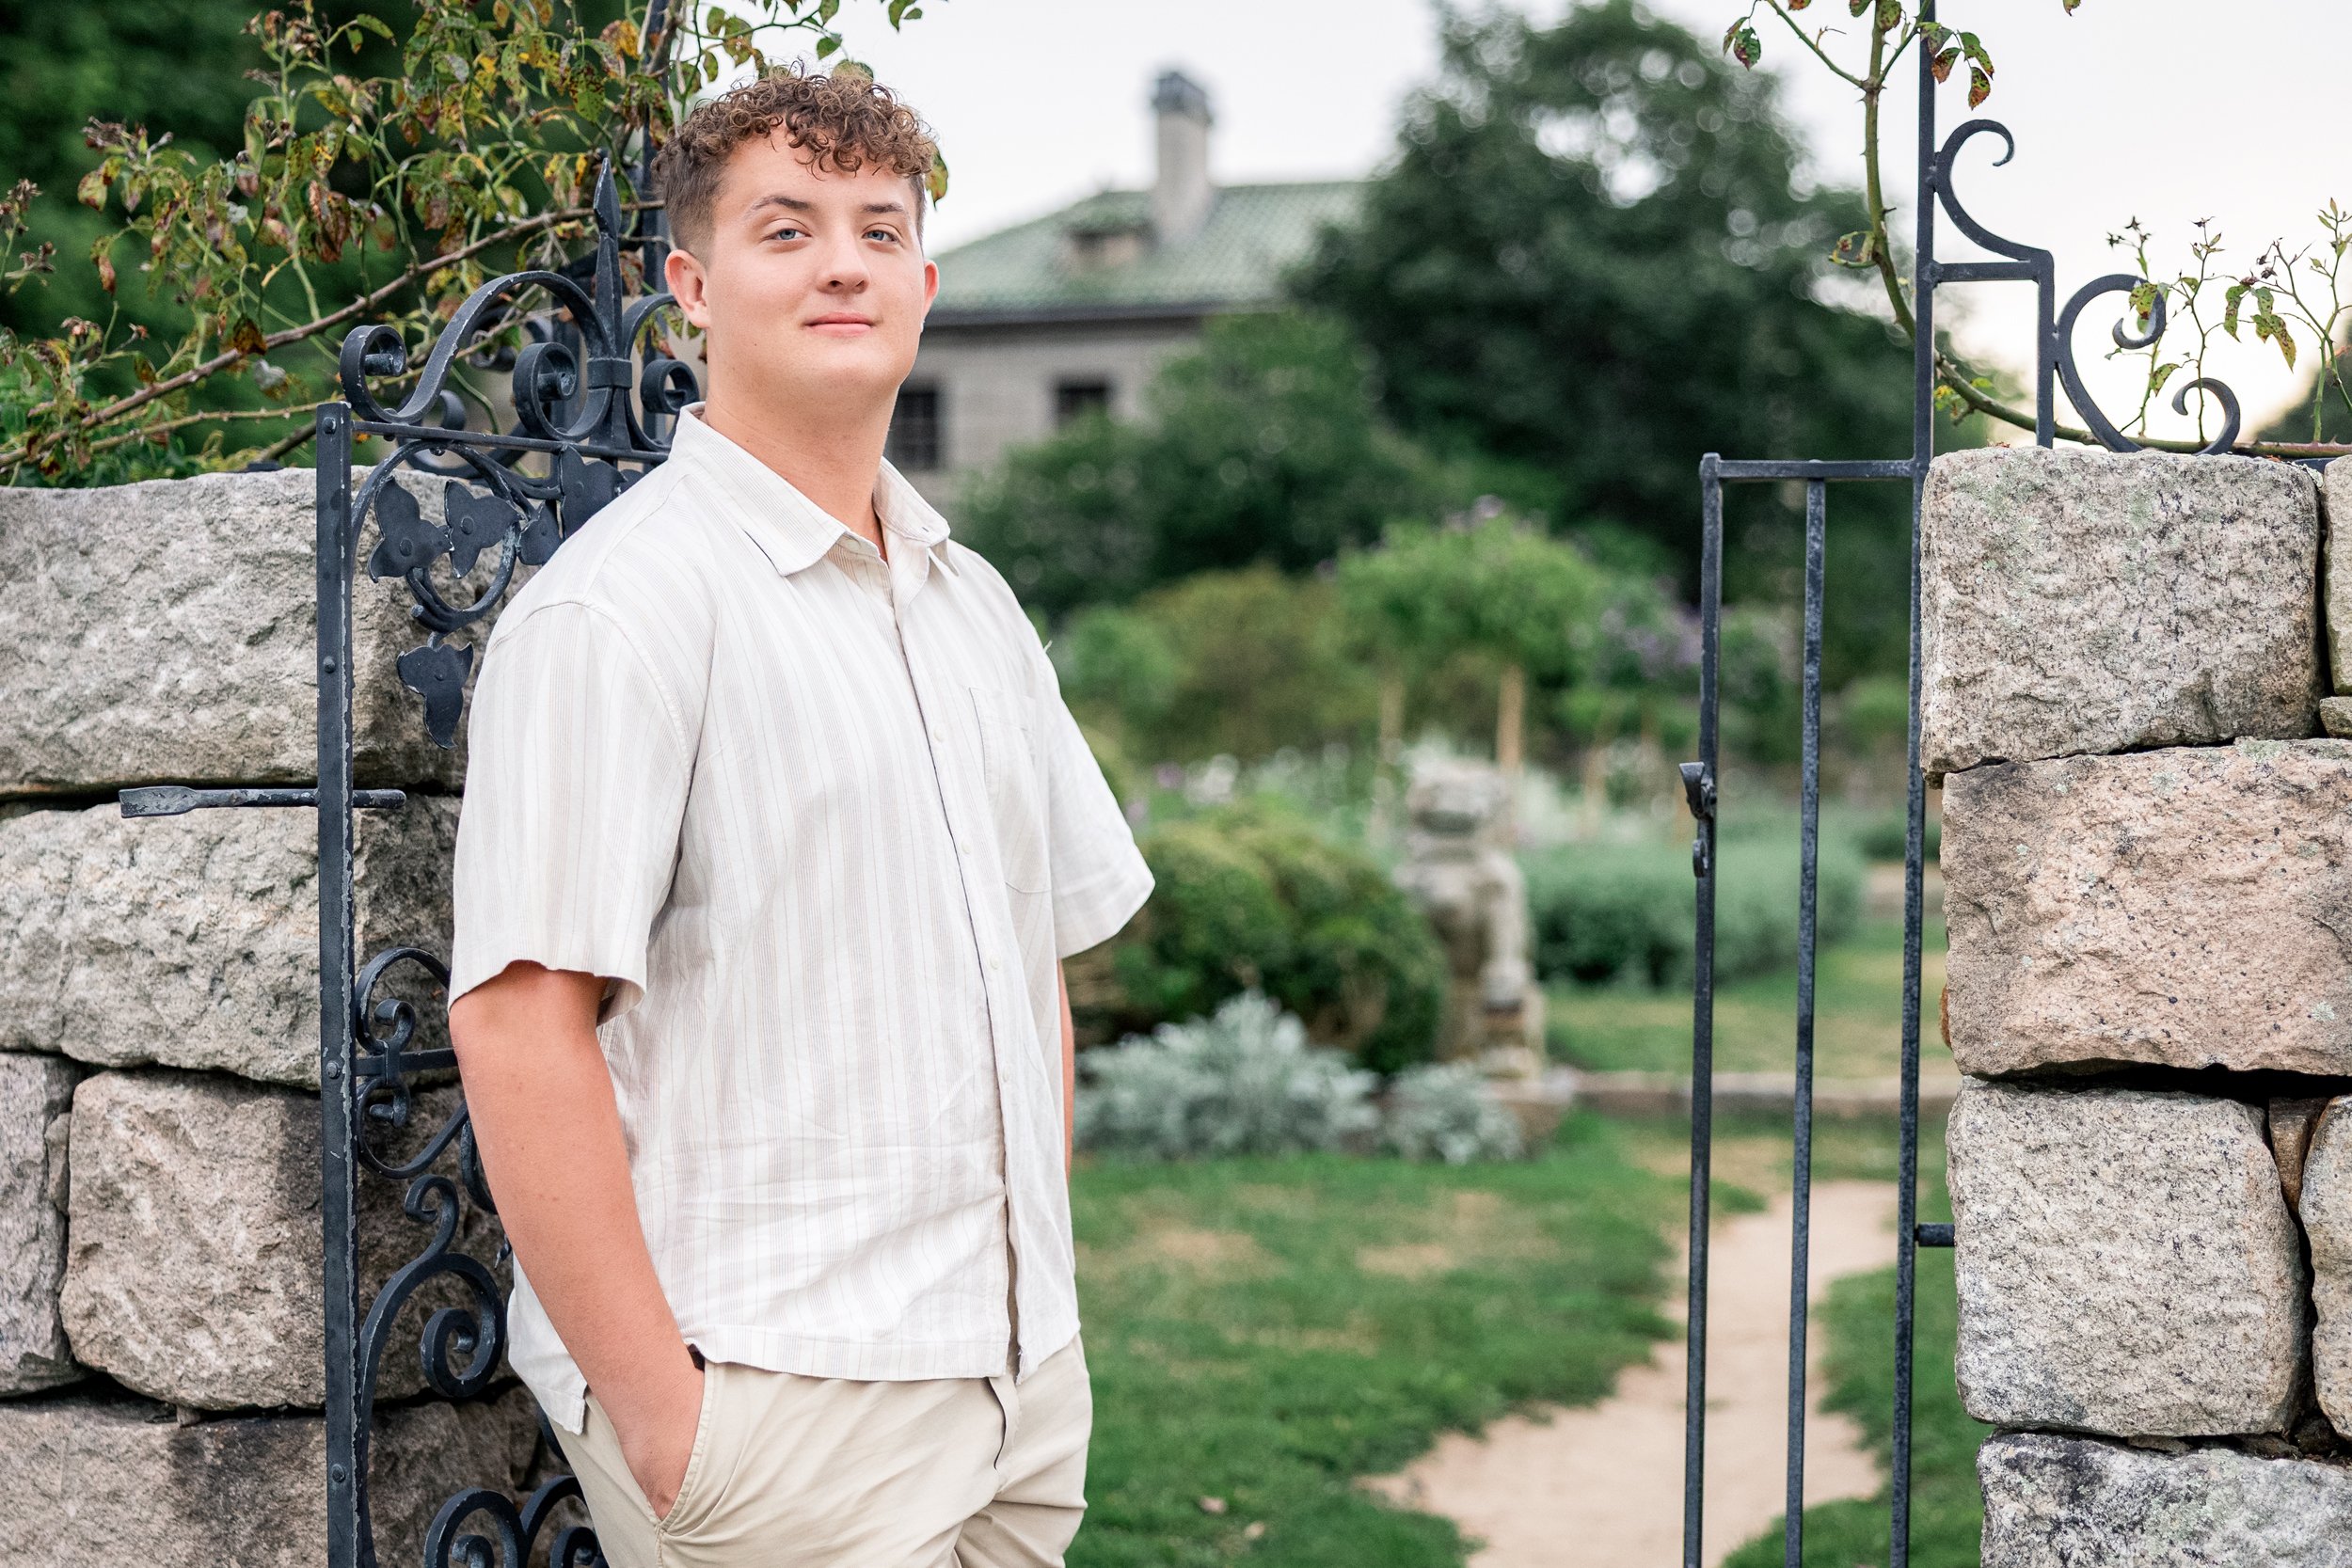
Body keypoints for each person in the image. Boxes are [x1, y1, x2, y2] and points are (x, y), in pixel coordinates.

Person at [445, 65, 1152, 1568]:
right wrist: (665, 1419)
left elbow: (1034, 974)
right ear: (693, 287)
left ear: (925, 280)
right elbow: (517, 1023)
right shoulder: (622, 613)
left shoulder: (976, 606)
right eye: (789, 228)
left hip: (1011, 1389)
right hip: (773, 1398)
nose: (844, 261)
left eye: (879, 229)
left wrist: (1036, 1312)